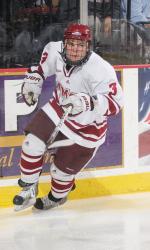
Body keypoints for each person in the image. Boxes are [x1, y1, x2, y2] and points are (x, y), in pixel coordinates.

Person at [13, 23, 123, 211]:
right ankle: (29, 187)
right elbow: (41, 69)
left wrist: (87, 101)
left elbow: (116, 103)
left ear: (88, 46)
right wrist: (34, 80)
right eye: (71, 44)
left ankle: (56, 198)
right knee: (31, 144)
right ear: (64, 43)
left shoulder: (100, 69)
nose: (74, 49)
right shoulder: (54, 50)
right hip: (57, 111)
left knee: (60, 173)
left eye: (80, 45)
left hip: (86, 128)